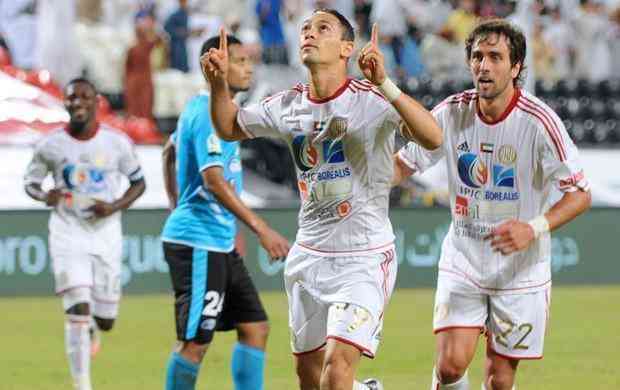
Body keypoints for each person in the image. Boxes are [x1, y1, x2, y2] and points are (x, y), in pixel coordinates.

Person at [201, 9, 442, 390]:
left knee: (335, 374)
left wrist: (386, 83)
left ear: (347, 47)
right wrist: (217, 85)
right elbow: (230, 126)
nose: (309, 34)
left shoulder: (372, 99)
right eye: (305, 28)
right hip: (308, 256)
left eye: (322, 28)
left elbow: (433, 137)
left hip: (363, 257)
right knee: (309, 379)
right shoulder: (287, 105)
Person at [393, 19, 592, 390]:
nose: (483, 65)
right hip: (464, 259)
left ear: (516, 67)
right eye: (477, 56)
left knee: (499, 381)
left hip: (520, 269)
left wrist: (532, 228)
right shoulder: (451, 112)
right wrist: (358, 184)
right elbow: (403, 163)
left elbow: (580, 194)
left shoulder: (540, 122)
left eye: (495, 57)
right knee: (450, 367)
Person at [161, 34, 290, 390]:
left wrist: (177, 203)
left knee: (255, 327)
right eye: (239, 60)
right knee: (196, 343)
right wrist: (260, 228)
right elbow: (214, 180)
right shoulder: (205, 113)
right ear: (214, 66)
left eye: (249, 60)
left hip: (217, 242)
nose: (248, 67)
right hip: (199, 243)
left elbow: (168, 152)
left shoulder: (214, 110)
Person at [23, 78, 146, 390]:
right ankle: (82, 385)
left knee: (106, 320)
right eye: (71, 98)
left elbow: (138, 183)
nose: (77, 102)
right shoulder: (50, 144)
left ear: (96, 102)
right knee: (77, 306)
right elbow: (30, 182)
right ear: (64, 104)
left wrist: (114, 206)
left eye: (83, 97)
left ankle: (93, 326)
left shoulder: (116, 142)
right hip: (67, 232)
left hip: (106, 235)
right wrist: (44, 195)